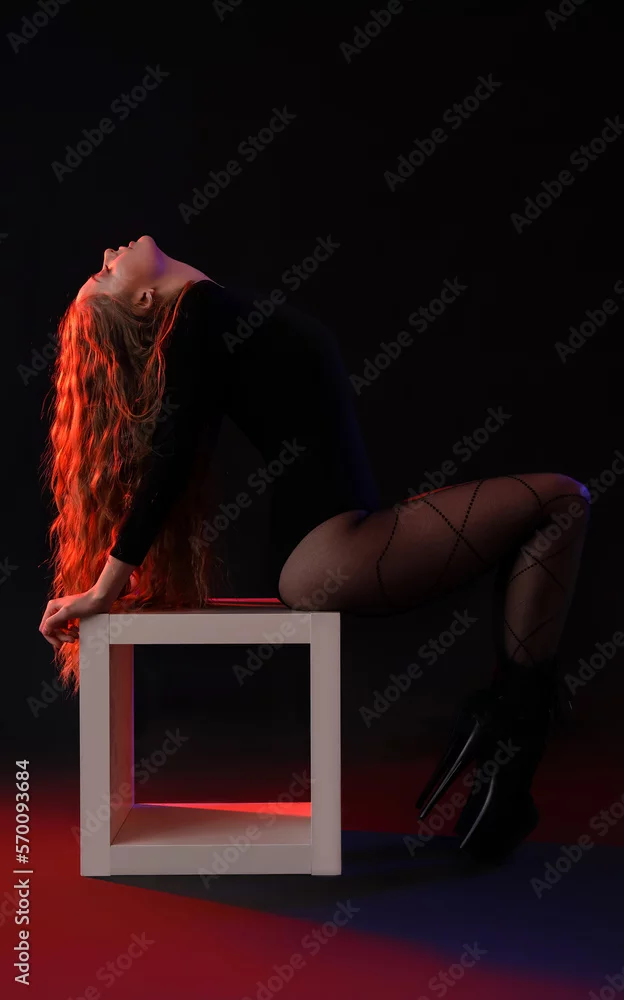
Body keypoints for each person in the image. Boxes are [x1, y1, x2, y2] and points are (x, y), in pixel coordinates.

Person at [38, 234, 591, 862]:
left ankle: (506, 753)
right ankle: (508, 742)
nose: (106, 256)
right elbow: (172, 458)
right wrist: (105, 589)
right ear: (143, 300)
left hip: (338, 540)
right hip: (335, 548)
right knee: (563, 501)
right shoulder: (199, 315)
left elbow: (181, 449)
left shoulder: (209, 315)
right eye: (104, 274)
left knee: (558, 504)